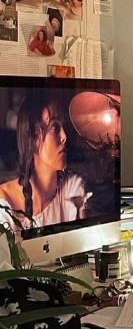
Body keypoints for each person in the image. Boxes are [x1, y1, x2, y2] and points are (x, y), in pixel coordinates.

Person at [0, 92, 89, 231]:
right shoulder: (4, 205)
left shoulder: (73, 188)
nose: (64, 136)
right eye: (55, 128)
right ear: (33, 139)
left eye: (64, 127)